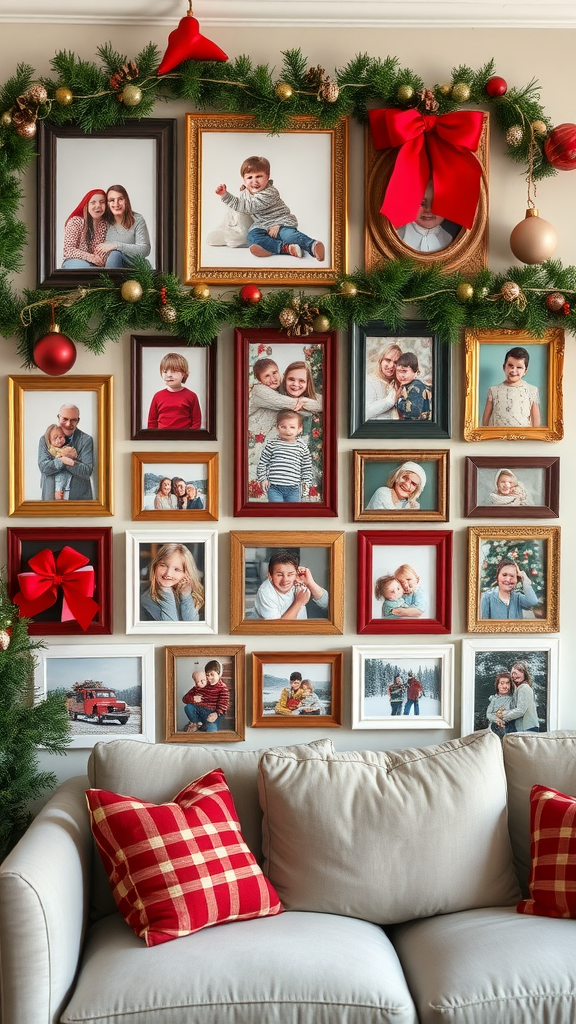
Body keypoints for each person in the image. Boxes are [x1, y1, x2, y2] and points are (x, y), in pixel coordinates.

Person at [215, 155, 325, 261]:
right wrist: (245, 189)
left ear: (267, 177)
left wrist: (225, 196)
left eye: (259, 176)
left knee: (289, 236)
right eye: (249, 177)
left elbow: (246, 206)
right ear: (243, 180)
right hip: (262, 224)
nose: (254, 181)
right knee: (252, 237)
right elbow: (247, 196)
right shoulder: (248, 191)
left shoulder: (269, 193)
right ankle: (285, 248)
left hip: (280, 221)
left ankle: (312, 245)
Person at [248, 356, 322, 441]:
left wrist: (304, 399)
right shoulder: (259, 391)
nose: (273, 378)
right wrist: (303, 401)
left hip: (268, 441)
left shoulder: (284, 385)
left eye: (274, 373)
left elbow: (325, 403)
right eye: (267, 376)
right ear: (259, 380)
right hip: (251, 440)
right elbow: (291, 404)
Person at [38, 403, 94, 500]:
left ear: (78, 420)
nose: (68, 424)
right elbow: (44, 468)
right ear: (58, 417)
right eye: (65, 419)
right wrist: (64, 460)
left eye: (73, 420)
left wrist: (65, 461)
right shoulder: (45, 439)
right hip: (50, 499)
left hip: (79, 500)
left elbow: (86, 471)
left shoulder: (86, 440)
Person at [253, 549, 329, 620]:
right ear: (270, 575)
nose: (285, 580)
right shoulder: (265, 592)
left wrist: (309, 582)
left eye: (290, 574)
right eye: (279, 575)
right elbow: (276, 628)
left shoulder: (297, 582)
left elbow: (327, 603)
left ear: (295, 574)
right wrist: (299, 602)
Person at [256, 410, 313, 502]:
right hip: (274, 488)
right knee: (276, 513)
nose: (288, 431)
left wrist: (306, 484)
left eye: (292, 427)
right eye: (283, 427)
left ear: (300, 429)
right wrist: (263, 479)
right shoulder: (272, 444)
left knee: (292, 514)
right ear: (277, 427)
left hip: (294, 489)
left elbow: (306, 468)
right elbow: (262, 464)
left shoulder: (302, 447)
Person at [140, 542, 204, 622]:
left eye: (177, 569)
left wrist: (186, 596)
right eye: (163, 565)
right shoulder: (142, 595)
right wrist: (165, 590)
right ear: (155, 566)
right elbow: (170, 629)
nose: (168, 574)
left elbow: (193, 628)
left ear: (186, 573)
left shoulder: (194, 597)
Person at [482, 346, 540, 428]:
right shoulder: (493, 390)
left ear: (525, 371)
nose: (513, 370)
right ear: (504, 367)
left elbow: (536, 422)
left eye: (519, 367)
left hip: (523, 439)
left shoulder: (532, 390)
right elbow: (485, 422)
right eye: (510, 365)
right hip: (498, 438)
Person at [95, 184, 151, 268]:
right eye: (112, 200)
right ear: (107, 203)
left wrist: (116, 245)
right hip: (110, 266)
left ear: (126, 200)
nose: (116, 204)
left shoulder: (137, 219)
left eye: (120, 199)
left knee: (114, 254)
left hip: (134, 267)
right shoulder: (103, 221)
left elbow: (144, 249)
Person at [147, 352, 202, 431]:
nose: (169, 375)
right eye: (165, 371)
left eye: (174, 371)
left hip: (184, 439)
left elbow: (196, 422)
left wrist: (190, 438)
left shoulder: (192, 396)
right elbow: (151, 422)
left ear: (183, 373)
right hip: (162, 439)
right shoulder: (157, 396)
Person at [397, 180, 454, 253]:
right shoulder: (398, 238)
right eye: (422, 203)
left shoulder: (450, 241)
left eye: (436, 203)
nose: (429, 209)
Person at [61, 189, 108, 268]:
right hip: (74, 261)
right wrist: (91, 257)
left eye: (102, 202)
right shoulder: (76, 221)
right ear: (86, 205)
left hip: (96, 265)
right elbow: (68, 250)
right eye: (93, 202)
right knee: (88, 270)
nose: (98, 206)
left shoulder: (105, 224)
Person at [183, 660, 229, 733]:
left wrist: (216, 714)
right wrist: (193, 699)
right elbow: (184, 699)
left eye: (212, 674)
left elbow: (224, 704)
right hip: (201, 710)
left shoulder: (223, 688)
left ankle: (204, 725)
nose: (209, 678)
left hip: (213, 713)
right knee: (188, 707)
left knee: (212, 730)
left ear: (219, 674)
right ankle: (196, 723)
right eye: (207, 675)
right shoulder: (202, 684)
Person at [498, 661, 540, 733]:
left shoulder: (524, 688)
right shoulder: (520, 689)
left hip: (526, 728)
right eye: (513, 674)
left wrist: (502, 715)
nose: (515, 675)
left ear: (524, 674)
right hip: (527, 728)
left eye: (519, 672)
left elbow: (520, 710)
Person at [365, 342, 402, 421]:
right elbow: (367, 412)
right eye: (388, 360)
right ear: (380, 360)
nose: (391, 365)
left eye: (396, 362)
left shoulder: (398, 382)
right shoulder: (370, 381)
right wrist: (391, 400)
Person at [43, 423, 77, 500]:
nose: (59, 440)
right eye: (55, 439)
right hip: (59, 476)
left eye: (60, 437)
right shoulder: (52, 449)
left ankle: (65, 490)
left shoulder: (65, 447)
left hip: (67, 477)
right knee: (59, 478)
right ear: (50, 441)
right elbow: (59, 456)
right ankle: (57, 490)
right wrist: (64, 456)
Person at [396, 351, 432, 421]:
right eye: (398, 371)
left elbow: (414, 411)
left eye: (404, 371)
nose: (401, 375)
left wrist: (398, 401)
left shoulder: (417, 386)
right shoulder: (409, 385)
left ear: (415, 370)